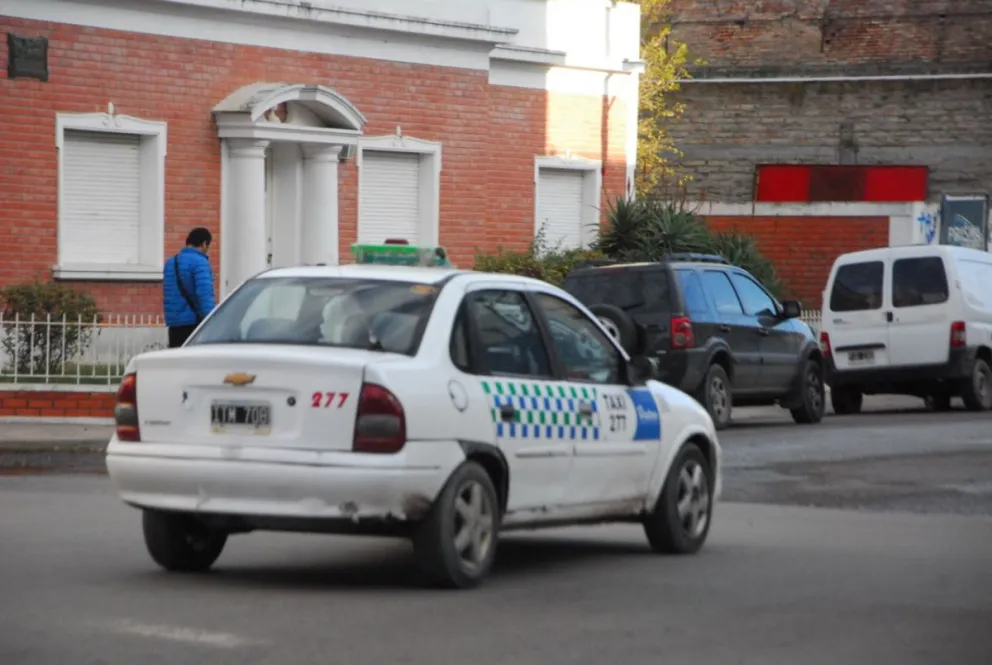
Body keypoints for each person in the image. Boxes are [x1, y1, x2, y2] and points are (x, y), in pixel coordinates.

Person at [163, 227, 216, 348]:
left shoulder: (171, 262)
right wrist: (212, 321)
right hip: (193, 324)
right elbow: (204, 295)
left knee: (176, 362)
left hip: (174, 324)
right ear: (204, 244)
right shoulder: (200, 262)